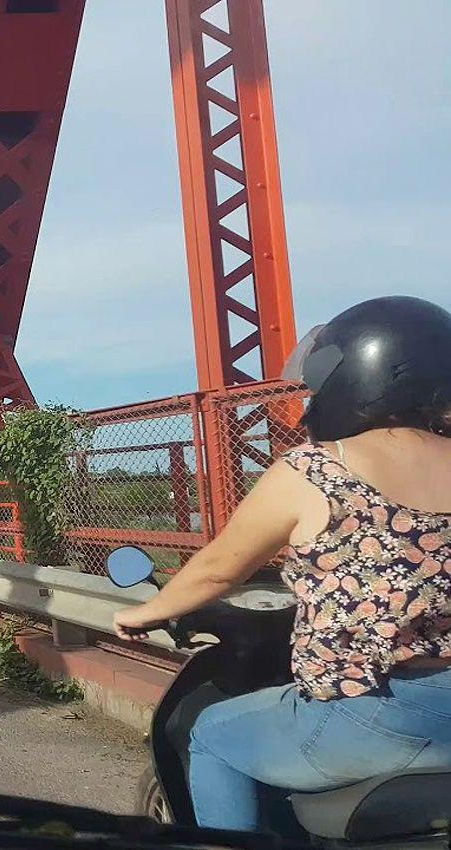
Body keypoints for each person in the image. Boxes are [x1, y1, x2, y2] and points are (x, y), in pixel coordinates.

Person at [112, 295, 451, 833]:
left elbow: (219, 569)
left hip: (377, 711)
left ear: (356, 375)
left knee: (213, 734)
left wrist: (145, 611)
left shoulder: (317, 468)